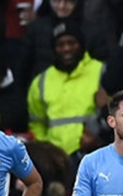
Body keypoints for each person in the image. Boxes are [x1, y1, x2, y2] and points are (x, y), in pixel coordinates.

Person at [27, 20, 104, 155]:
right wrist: (45, 149)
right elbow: (37, 122)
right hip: (55, 159)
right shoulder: (41, 81)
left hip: (93, 152)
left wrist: (99, 139)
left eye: (71, 43)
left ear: (81, 44)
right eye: (60, 45)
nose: (66, 49)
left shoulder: (100, 71)